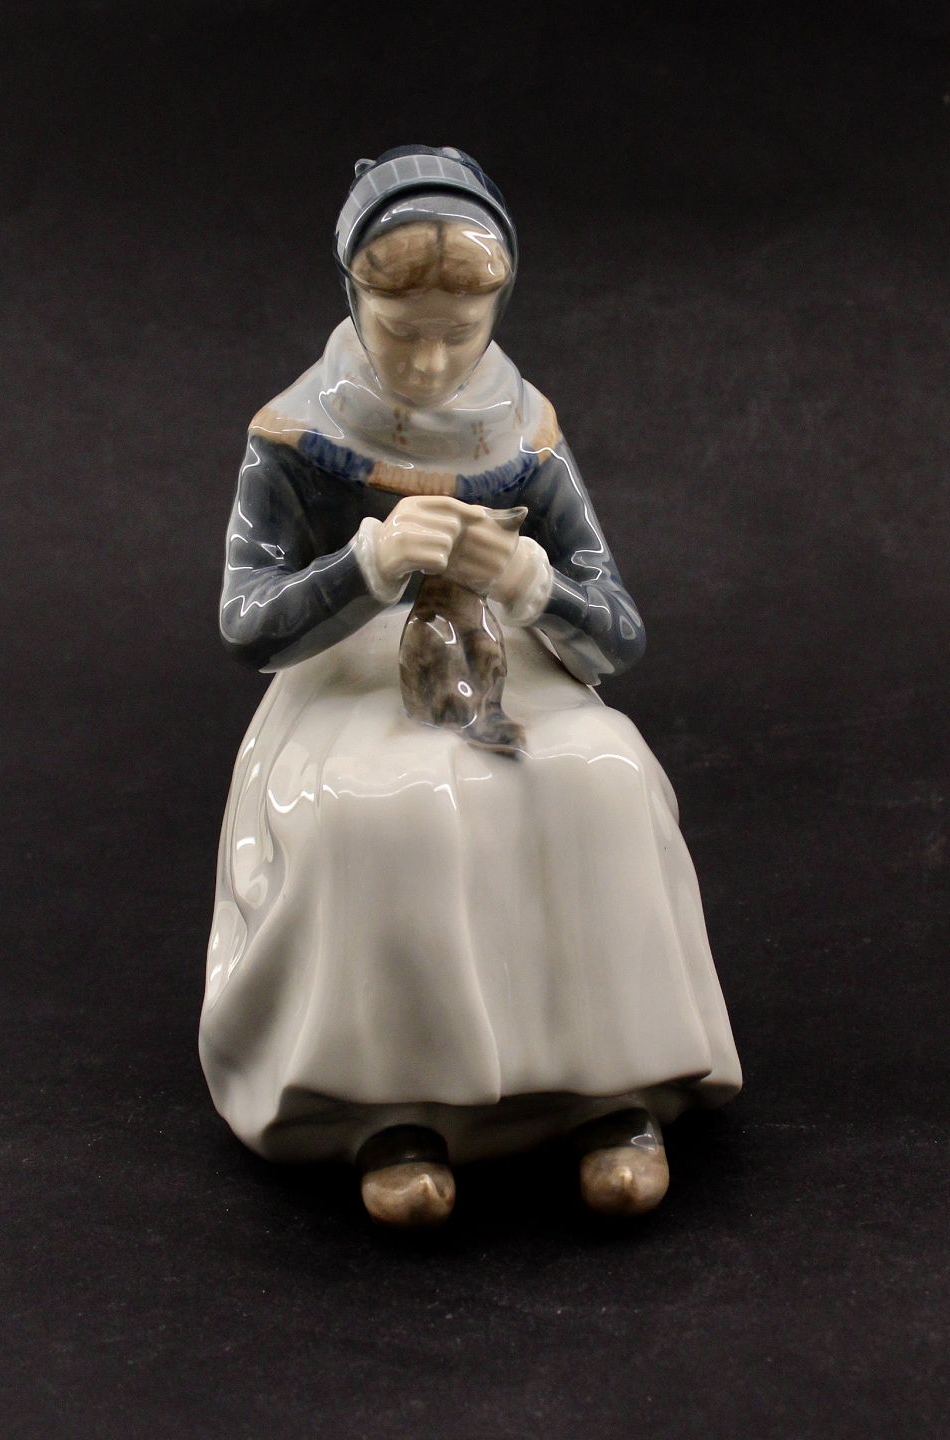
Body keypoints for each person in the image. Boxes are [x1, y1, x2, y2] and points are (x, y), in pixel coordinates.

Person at [200, 146, 741, 1228]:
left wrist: (531, 581)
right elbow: (246, 622)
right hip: (353, 685)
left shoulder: (524, 432)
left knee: (603, 779)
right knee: (381, 810)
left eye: (462, 331)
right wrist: (365, 565)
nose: (434, 361)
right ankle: (393, 1108)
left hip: (507, 667)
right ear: (353, 300)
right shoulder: (295, 437)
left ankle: (608, 1091)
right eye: (403, 332)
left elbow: (620, 633)